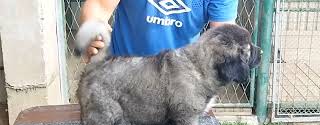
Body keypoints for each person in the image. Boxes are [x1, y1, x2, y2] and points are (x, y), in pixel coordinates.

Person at [80, 0, 238, 61]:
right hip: (122, 73)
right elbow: (98, 6)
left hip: (181, 77)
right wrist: (93, 30)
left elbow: (224, 33)